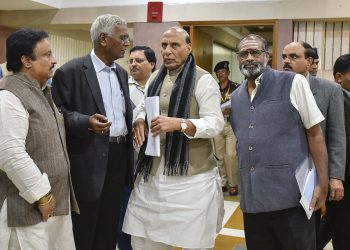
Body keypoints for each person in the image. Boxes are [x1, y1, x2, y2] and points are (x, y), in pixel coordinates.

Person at [123, 26, 225, 250]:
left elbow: (215, 123)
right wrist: (140, 119)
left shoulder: (204, 80)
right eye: (164, 45)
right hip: (152, 173)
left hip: (191, 177)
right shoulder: (154, 79)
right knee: (146, 240)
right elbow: (142, 106)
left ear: (188, 48)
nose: (167, 51)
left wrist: (180, 124)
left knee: (193, 240)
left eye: (175, 45)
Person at [230, 34, 328, 250]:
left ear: (267, 55)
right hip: (253, 204)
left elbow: (315, 134)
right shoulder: (236, 97)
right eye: (243, 53)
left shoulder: (293, 82)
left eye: (255, 52)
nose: (249, 58)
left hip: (292, 202)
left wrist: (323, 183)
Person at [51, 14, 134, 250]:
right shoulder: (71, 71)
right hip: (88, 159)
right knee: (85, 229)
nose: (127, 43)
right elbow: (57, 114)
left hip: (119, 157)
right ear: (104, 39)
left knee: (110, 228)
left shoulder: (122, 73)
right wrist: (86, 121)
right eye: (123, 38)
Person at [0, 28, 78, 249]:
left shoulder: (42, 91)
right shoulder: (9, 96)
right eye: (47, 55)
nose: (54, 60)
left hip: (51, 206)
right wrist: (42, 196)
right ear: (26, 60)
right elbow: (9, 154)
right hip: (28, 208)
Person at [282, 41, 346, 250]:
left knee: (310, 230)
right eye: (284, 57)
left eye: (293, 57)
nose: (286, 62)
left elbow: (337, 135)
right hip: (281, 173)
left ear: (309, 61)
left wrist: (335, 176)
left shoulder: (330, 90)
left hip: (314, 173)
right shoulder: (275, 87)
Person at [317, 54, 350, 250]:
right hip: (341, 176)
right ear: (339, 77)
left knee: (333, 222)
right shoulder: (333, 100)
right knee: (342, 229)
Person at [213, 60, 240, 195]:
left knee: (231, 155)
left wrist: (232, 110)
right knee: (219, 155)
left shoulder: (237, 88)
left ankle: (233, 183)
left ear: (228, 72)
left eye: (223, 71)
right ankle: (222, 181)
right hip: (217, 125)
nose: (220, 74)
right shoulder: (213, 88)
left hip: (231, 124)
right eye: (218, 72)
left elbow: (243, 106)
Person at [129, 45, 156, 122]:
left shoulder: (158, 85)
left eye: (139, 61)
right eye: (131, 61)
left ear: (152, 64)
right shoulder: (123, 86)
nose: (133, 64)